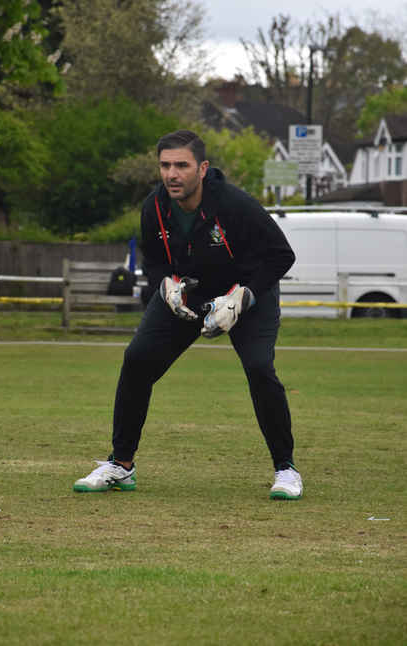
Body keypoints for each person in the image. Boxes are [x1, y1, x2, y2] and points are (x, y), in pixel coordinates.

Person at [74, 129, 303, 500]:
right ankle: (121, 465)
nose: (172, 174)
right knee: (136, 360)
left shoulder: (234, 204)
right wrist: (164, 284)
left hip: (246, 294)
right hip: (189, 294)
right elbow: (154, 260)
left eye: (182, 165)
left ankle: (286, 470)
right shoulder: (154, 206)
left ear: (203, 168)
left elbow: (282, 255)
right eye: (165, 166)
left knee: (260, 369)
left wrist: (243, 297)